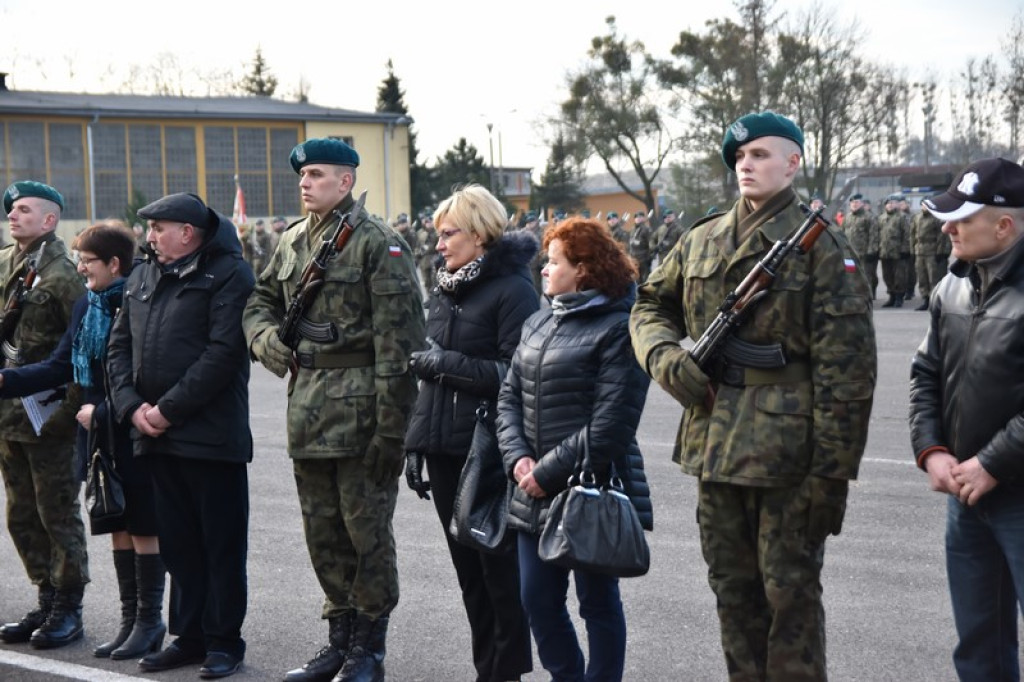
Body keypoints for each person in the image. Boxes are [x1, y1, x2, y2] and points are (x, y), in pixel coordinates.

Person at [630, 111, 876, 681]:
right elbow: (648, 306)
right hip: (714, 445)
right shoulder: (703, 237)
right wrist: (665, 359)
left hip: (788, 457)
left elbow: (849, 375)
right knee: (731, 593)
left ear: (793, 163)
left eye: (761, 154)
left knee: (789, 600)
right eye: (740, 157)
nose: (747, 164)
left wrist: (831, 476)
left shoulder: (820, 247)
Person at [243, 137, 425, 682]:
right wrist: (267, 341)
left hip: (362, 413)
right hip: (308, 411)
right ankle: (338, 640)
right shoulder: (296, 240)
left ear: (345, 182)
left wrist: (392, 432)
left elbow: (402, 345)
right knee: (322, 533)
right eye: (302, 175)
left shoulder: (378, 243)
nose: (305, 183)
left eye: (317, 174)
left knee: (365, 534)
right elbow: (259, 302)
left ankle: (368, 649)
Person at [0, 222, 166, 661]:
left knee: (143, 523)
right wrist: (5, 380)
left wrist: (108, 413)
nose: (80, 268)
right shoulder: (89, 305)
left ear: (115, 263)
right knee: (114, 520)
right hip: (97, 430)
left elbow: (148, 375)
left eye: (88, 261)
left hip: (130, 425)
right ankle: (130, 622)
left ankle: (150, 622)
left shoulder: (140, 301)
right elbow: (61, 366)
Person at [106, 192, 254, 679]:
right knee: (178, 545)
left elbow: (223, 353)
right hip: (153, 434)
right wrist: (132, 409)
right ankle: (186, 637)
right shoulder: (144, 274)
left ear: (187, 232)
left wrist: (166, 410)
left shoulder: (229, 273)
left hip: (210, 438)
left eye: (158, 227)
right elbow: (119, 348)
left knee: (220, 545)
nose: (148, 236)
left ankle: (223, 643)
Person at [497, 216, 651, 682]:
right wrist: (517, 457)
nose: (544, 269)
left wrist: (547, 472)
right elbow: (509, 397)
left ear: (582, 269)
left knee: (597, 602)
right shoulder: (539, 321)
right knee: (536, 600)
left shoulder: (620, 328)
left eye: (555, 261)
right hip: (531, 486)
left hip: (591, 485)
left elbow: (611, 424)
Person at [403, 184, 536, 682]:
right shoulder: (444, 287)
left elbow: (514, 374)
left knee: (498, 575)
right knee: (468, 578)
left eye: (447, 233)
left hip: (488, 451)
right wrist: (417, 444)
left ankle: (507, 673)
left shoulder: (514, 289)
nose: (438, 243)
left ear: (479, 234)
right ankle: (488, 671)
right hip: (444, 449)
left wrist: (446, 364)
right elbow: (429, 379)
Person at [909, 157, 1024, 682]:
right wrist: (932, 450)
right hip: (967, 496)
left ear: (1005, 225)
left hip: (1013, 492)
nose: (948, 228)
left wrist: (992, 463)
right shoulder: (950, 285)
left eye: (962, 218)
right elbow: (925, 372)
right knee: (978, 646)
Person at [0, 181, 88, 649]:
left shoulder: (65, 273)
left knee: (57, 512)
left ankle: (68, 606)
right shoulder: (4, 263)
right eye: (12, 209)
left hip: (47, 413)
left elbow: (81, 349)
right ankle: (46, 595)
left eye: (25, 210)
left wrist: (70, 411)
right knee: (21, 515)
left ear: (50, 220)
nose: (13, 215)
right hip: (7, 414)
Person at [910, 201, 949, 310]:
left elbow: (941, 237)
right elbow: (912, 235)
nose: (924, 207)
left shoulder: (936, 218)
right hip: (919, 251)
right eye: (922, 205)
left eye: (926, 205)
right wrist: (912, 251)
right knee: (922, 277)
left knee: (933, 277)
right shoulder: (917, 218)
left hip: (932, 250)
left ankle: (935, 300)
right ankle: (925, 299)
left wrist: (940, 252)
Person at [841, 193, 880, 299]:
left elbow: (874, 235)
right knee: (850, 275)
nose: (854, 204)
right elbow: (842, 234)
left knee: (866, 276)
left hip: (864, 253)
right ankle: (854, 295)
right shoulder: (847, 217)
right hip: (849, 253)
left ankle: (867, 296)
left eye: (857, 202)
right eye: (852, 202)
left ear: (862, 204)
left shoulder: (869, 217)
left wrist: (872, 251)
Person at [879, 193, 911, 308]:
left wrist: (905, 250)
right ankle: (891, 296)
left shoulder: (902, 217)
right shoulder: (882, 218)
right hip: (885, 252)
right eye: (888, 203)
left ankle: (899, 298)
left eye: (893, 203)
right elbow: (877, 235)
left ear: (897, 204)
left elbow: (907, 235)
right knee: (887, 275)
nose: (890, 205)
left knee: (899, 276)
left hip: (898, 252)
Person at [629, 210, 655, 283]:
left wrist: (650, 257)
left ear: (643, 218)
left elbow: (651, 244)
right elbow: (630, 244)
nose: (638, 218)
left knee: (646, 280)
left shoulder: (647, 229)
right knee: (636, 280)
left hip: (644, 259)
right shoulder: (632, 230)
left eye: (640, 217)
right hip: (634, 259)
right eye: (636, 217)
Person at [414, 212, 438, 290]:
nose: (429, 224)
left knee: (435, 281)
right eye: (427, 222)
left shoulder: (437, 233)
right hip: (423, 260)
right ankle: (429, 298)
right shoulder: (420, 233)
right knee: (426, 282)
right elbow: (417, 245)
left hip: (434, 258)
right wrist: (417, 256)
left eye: (430, 222)